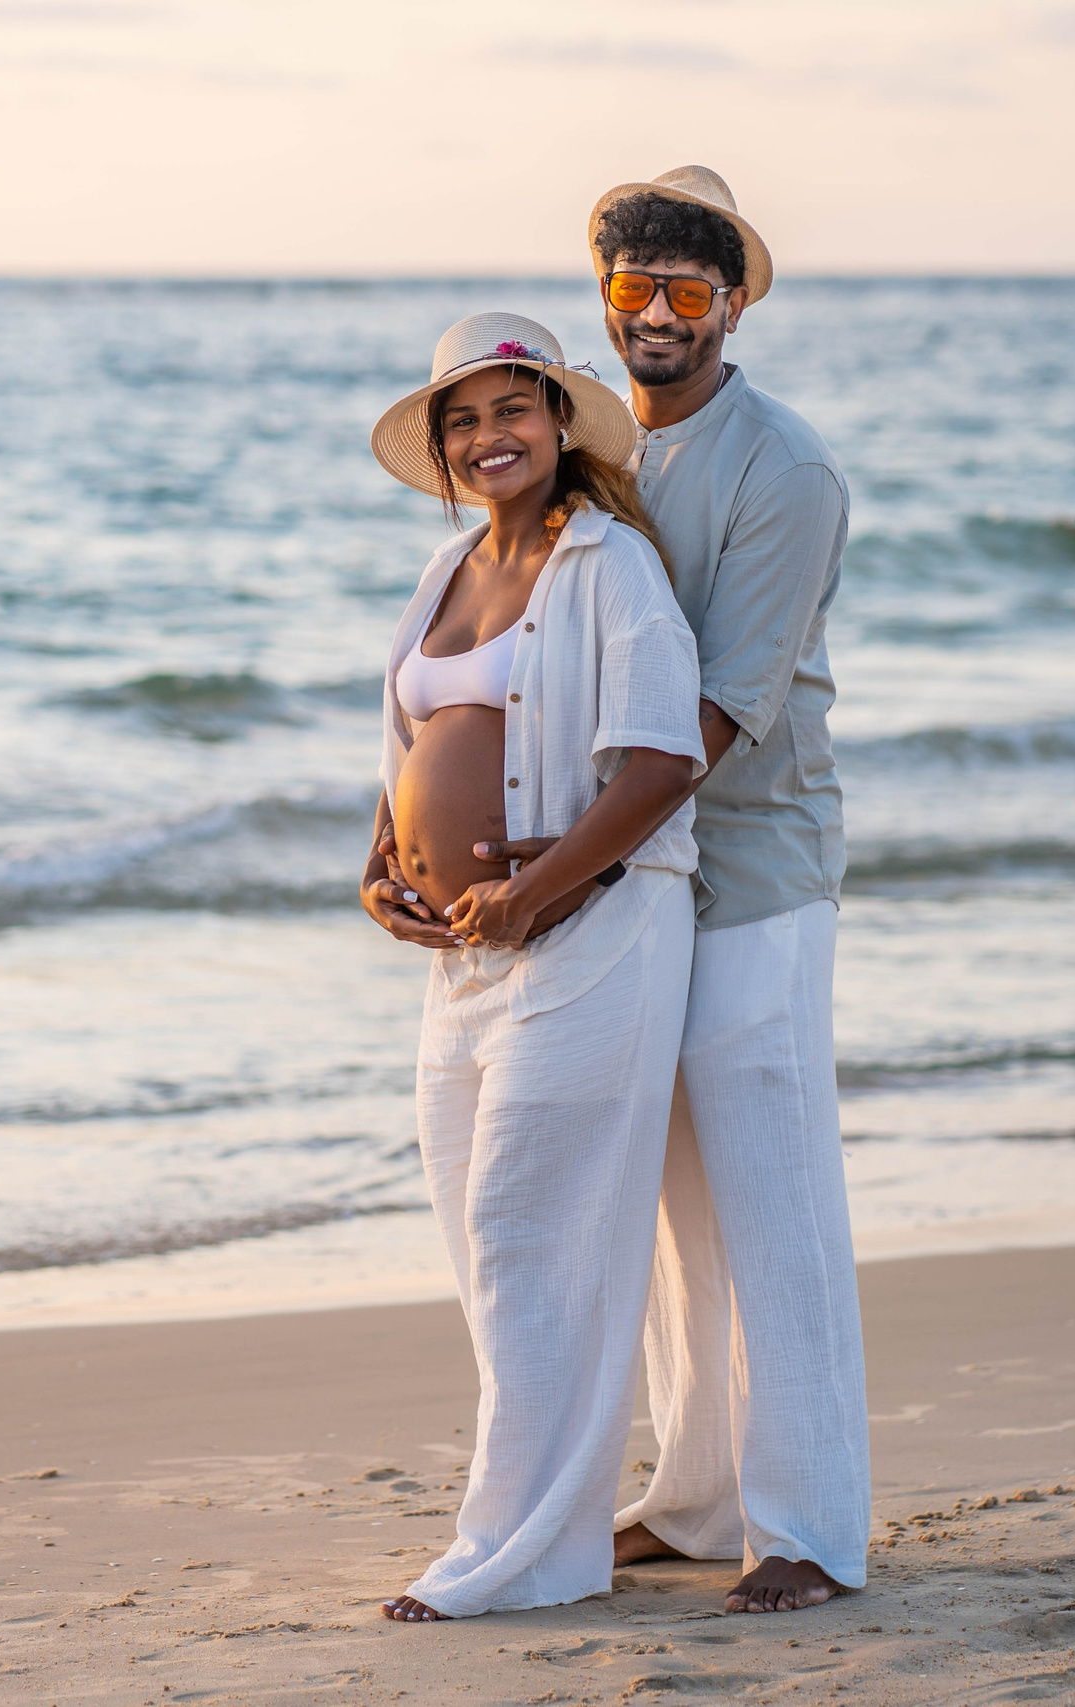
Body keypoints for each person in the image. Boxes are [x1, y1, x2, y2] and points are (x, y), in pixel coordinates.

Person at [482, 169, 872, 1614]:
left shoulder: (786, 469)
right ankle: (699, 1504)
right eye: (630, 288)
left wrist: (565, 860)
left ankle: (816, 1527)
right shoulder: (597, 448)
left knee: (777, 1198)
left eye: (687, 292)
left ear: (735, 304)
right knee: (669, 1211)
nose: (655, 314)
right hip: (636, 871)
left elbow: (715, 713)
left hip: (754, 869)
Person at [356, 311, 708, 1622]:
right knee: (477, 1236)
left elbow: (666, 760)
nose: (489, 436)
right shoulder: (447, 566)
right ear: (444, 449)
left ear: (560, 425)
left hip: (593, 937)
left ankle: (514, 1553)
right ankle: (541, 1533)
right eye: (464, 419)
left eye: (513, 410)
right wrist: (384, 858)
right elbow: (415, 731)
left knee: (524, 1233)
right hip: (465, 958)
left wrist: (532, 895)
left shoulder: (613, 565)